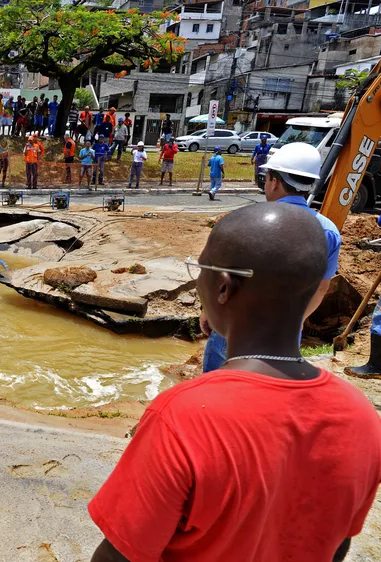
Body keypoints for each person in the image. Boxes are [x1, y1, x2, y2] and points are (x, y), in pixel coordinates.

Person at [88, 202, 381, 562]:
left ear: (223, 287)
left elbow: (118, 556)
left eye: (201, 268)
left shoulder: (183, 417)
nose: (197, 280)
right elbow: (337, 546)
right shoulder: (363, 418)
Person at [200, 142, 342, 374]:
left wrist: (208, 311)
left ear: (274, 181)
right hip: (286, 338)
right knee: (268, 398)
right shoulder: (328, 230)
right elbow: (320, 289)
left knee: (217, 396)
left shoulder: (249, 222)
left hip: (238, 330)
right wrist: (290, 322)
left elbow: (225, 280)